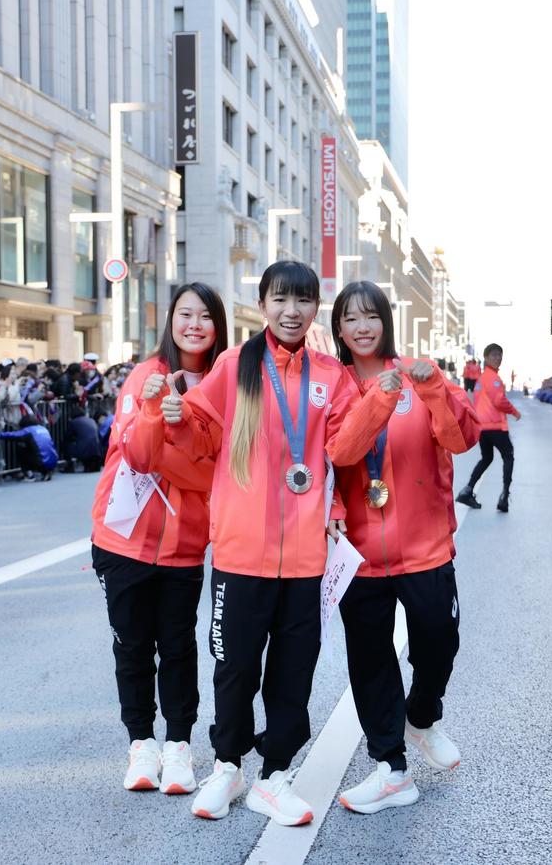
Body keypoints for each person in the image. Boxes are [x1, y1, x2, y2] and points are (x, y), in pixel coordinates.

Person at [137, 260, 396, 825]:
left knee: (293, 671)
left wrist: (378, 402)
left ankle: (275, 775)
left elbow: (344, 452)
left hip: (306, 557)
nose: (292, 311)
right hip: (239, 553)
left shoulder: (331, 374)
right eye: (281, 300)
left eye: (303, 301)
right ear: (262, 305)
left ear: (314, 308)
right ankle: (227, 767)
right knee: (233, 669)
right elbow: (200, 436)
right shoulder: (235, 365)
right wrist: (176, 417)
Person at [327, 282, 480, 814]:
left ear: (386, 321)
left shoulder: (422, 371)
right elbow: (340, 451)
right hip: (360, 554)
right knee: (370, 663)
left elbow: (462, 439)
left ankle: (421, 716)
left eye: (371, 316)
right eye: (351, 318)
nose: (362, 326)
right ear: (339, 328)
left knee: (439, 642)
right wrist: (381, 399)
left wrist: (433, 387)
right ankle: (391, 767)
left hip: (426, 547)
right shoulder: (334, 381)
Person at [90, 282, 227, 796]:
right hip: (123, 541)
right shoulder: (146, 376)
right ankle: (140, 745)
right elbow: (138, 456)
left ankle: (178, 747)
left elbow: (218, 472)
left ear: (217, 326)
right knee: (131, 646)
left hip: (185, 545)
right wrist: (155, 416)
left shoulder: (221, 383)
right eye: (185, 314)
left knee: (177, 646)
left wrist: (192, 463)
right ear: (170, 320)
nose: (194, 324)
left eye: (204, 316)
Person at [456, 342, 521, 512]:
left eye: (500, 355)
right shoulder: (493, 379)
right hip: (494, 426)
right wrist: (514, 412)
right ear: (486, 358)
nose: (498, 358)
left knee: (487, 458)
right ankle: (504, 495)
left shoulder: (481, 378)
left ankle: (467, 490)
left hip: (483, 427)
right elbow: (498, 401)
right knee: (508, 456)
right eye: (494, 355)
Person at [0, 415, 58, 480]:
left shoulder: (28, 430)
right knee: (35, 449)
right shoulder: (43, 428)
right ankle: (46, 472)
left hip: (41, 461)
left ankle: (29, 475)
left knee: (21, 449)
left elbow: (15, 435)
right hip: (54, 461)